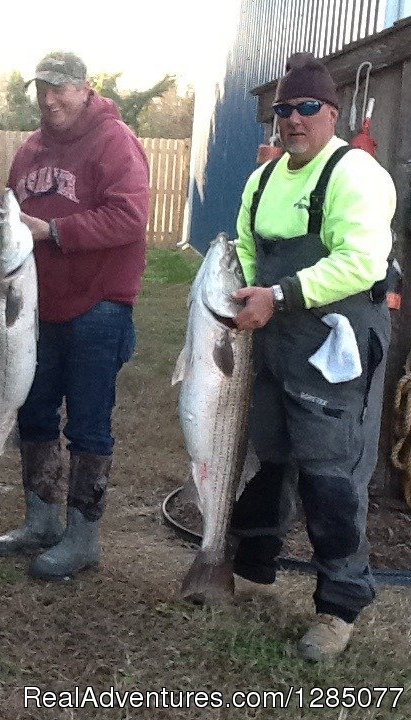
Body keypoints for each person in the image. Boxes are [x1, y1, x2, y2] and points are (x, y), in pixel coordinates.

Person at [231, 53, 396, 661]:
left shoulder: (357, 174)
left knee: (330, 478)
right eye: (283, 110)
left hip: (335, 344)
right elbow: (248, 248)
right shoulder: (263, 179)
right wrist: (250, 293)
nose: (293, 121)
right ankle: (251, 565)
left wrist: (278, 295)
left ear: (332, 112)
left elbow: (362, 262)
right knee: (266, 458)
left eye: (306, 108)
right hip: (272, 340)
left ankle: (338, 608)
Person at [0, 52, 150, 580]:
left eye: (61, 89)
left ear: (85, 88)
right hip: (35, 307)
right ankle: (41, 520)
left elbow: (129, 217)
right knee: (33, 412)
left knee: (87, 423)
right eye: (43, 89)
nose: (50, 99)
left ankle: (83, 536)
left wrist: (55, 233)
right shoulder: (30, 150)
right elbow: (11, 219)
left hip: (99, 304)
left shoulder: (114, 141)